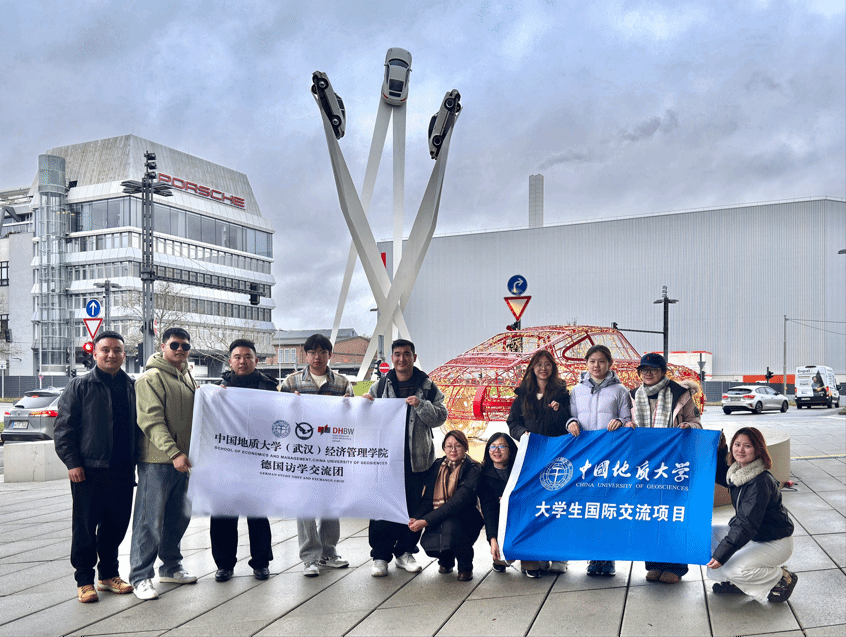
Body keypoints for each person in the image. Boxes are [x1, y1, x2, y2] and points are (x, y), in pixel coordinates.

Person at [54, 330, 137, 603]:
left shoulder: (132, 386)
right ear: (95, 353)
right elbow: (64, 429)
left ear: (124, 355)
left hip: (123, 470)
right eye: (106, 350)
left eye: (117, 350)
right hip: (89, 471)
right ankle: (84, 581)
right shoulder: (80, 386)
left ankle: (108, 575)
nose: (111, 355)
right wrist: (72, 463)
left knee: (116, 527)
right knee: (85, 528)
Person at [365, 338, 448, 577]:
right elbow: (366, 421)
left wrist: (421, 405)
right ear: (392, 358)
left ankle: (404, 552)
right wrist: (366, 406)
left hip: (417, 462)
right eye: (398, 354)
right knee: (382, 507)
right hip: (386, 460)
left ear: (414, 357)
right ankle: (380, 556)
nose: (402, 359)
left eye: (407, 354)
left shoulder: (427, 386)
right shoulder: (380, 386)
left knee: (413, 508)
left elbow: (441, 416)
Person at [130, 327, 198, 600]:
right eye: (175, 345)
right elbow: (151, 421)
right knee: (149, 521)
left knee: (178, 518)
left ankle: (171, 567)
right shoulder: (151, 378)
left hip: (184, 462)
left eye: (185, 346)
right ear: (163, 346)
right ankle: (140, 577)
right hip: (158, 462)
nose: (180, 350)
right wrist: (173, 452)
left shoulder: (188, 377)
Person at [281, 333, 354, 577]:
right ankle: (310, 558)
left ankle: (328, 552)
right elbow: (279, 418)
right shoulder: (291, 383)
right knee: (305, 507)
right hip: (301, 455)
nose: (317, 357)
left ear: (330, 355)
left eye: (322, 352)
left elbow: (352, 421)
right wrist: (289, 405)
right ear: (305, 355)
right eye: (312, 352)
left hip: (332, 454)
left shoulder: (342, 384)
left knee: (331, 505)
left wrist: (350, 407)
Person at [629, 352, 701, 584]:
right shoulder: (633, 395)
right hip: (645, 465)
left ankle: (675, 567)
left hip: (673, 463)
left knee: (672, 514)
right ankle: (654, 564)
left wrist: (688, 426)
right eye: (644, 369)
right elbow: (627, 422)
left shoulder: (681, 394)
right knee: (649, 514)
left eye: (653, 369)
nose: (648, 373)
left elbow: (697, 423)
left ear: (663, 372)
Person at [211, 339, 278, 583]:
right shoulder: (218, 389)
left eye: (248, 357)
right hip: (225, 460)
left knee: (258, 514)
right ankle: (224, 565)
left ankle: (261, 563)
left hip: (258, 459)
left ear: (256, 360)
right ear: (230, 361)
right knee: (223, 514)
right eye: (237, 357)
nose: (242, 361)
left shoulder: (269, 387)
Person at [707, 428, 797, 602]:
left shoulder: (760, 481)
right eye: (737, 444)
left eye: (747, 446)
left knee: (732, 568)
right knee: (710, 534)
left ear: (758, 449)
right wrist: (721, 449)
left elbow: (746, 524)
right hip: (755, 536)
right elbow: (720, 474)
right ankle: (734, 583)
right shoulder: (738, 472)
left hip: (774, 541)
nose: (740, 450)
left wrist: (721, 555)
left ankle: (782, 577)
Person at [566, 344, 634, 577]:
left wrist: (620, 422)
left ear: (609, 364)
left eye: (601, 361)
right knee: (590, 508)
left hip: (610, 457)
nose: (596, 365)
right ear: (586, 364)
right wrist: (571, 423)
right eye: (592, 361)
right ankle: (594, 558)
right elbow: (571, 416)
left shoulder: (620, 390)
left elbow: (627, 419)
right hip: (586, 458)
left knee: (609, 507)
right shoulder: (576, 390)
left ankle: (609, 558)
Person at [507, 349, 571, 577]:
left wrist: (560, 411)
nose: (543, 368)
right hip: (531, 458)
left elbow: (570, 423)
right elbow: (512, 423)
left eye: (547, 364)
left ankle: (560, 555)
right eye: (539, 364)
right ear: (532, 368)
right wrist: (522, 433)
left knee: (558, 505)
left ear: (553, 368)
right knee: (536, 506)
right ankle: (536, 554)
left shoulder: (562, 393)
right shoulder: (523, 395)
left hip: (557, 458)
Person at [409, 430, 484, 581]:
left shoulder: (473, 469)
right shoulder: (437, 466)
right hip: (442, 514)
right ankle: (446, 560)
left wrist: (426, 520)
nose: (453, 450)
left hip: (467, 517)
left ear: (466, 448)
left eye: (458, 446)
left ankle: (465, 566)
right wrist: (416, 517)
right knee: (441, 531)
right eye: (449, 446)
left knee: (452, 525)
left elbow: (456, 503)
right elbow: (428, 499)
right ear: (444, 448)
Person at [476, 432, 519, 573]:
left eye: (501, 446)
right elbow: (488, 510)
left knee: (532, 567)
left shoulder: (521, 471)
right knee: (502, 559)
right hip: (500, 521)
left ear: (510, 450)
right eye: (492, 446)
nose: (496, 450)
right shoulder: (483, 475)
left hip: (521, 518)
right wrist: (492, 539)